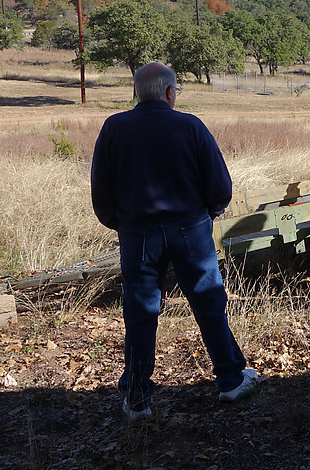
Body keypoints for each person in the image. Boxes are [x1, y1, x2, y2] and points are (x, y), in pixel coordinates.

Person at [91, 62, 259, 420]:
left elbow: (101, 192)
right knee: (208, 302)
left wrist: (120, 224)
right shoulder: (190, 126)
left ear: (138, 92)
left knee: (140, 312)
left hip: (137, 234)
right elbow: (220, 186)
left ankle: (137, 400)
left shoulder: (113, 128)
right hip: (190, 229)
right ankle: (230, 380)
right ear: (170, 92)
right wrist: (207, 214)